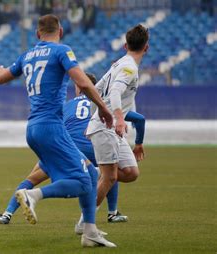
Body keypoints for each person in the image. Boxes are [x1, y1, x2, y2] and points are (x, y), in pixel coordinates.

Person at [0, 14, 116, 247]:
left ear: (38, 34)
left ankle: (89, 231)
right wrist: (103, 108)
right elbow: (85, 82)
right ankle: (33, 195)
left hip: (33, 129)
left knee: (90, 174)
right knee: (82, 182)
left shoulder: (26, 55)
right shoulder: (61, 51)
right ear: (60, 31)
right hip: (51, 127)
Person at [0, 73, 146, 227]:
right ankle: (113, 213)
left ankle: (7, 214)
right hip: (97, 143)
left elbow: (56, 126)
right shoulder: (104, 103)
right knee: (110, 172)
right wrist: (138, 143)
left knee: (33, 177)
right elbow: (140, 119)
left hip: (70, 149)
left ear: (79, 86)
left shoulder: (66, 105)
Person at [85, 24, 148, 222]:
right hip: (107, 127)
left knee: (131, 172)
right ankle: (85, 222)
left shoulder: (118, 64)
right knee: (110, 177)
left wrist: (94, 117)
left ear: (124, 45)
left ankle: (96, 171)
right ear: (146, 47)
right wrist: (119, 119)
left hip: (108, 126)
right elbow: (113, 93)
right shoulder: (128, 68)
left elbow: (96, 89)